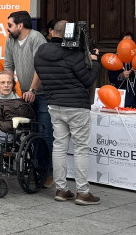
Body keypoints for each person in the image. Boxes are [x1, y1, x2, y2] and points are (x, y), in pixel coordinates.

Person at [34, 19, 101, 205]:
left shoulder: (40, 51)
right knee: (80, 148)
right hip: (76, 105)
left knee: (60, 146)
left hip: (54, 104)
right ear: (70, 34)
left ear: (52, 33)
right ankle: (83, 192)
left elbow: (41, 73)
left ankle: (61, 189)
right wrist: (95, 62)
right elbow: (87, 80)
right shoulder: (73, 53)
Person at [4, 10, 52, 185]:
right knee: (28, 132)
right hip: (24, 94)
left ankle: (47, 173)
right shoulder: (10, 40)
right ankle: (33, 168)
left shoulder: (36, 38)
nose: (7, 29)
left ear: (20, 25)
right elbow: (8, 66)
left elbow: (40, 67)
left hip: (42, 94)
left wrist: (32, 89)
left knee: (44, 133)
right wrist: (7, 88)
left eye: (10, 25)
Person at [108, 31, 136, 109]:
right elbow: (111, 78)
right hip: (121, 96)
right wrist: (121, 75)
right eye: (124, 42)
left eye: (129, 42)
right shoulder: (115, 59)